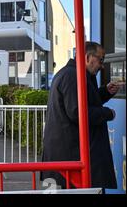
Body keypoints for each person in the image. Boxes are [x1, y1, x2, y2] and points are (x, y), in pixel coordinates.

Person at [41, 41, 122, 189]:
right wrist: (109, 113)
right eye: (101, 60)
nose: (102, 65)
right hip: (71, 159)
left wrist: (105, 92)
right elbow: (77, 112)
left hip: (66, 158)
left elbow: (84, 102)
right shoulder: (73, 77)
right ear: (87, 57)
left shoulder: (70, 74)